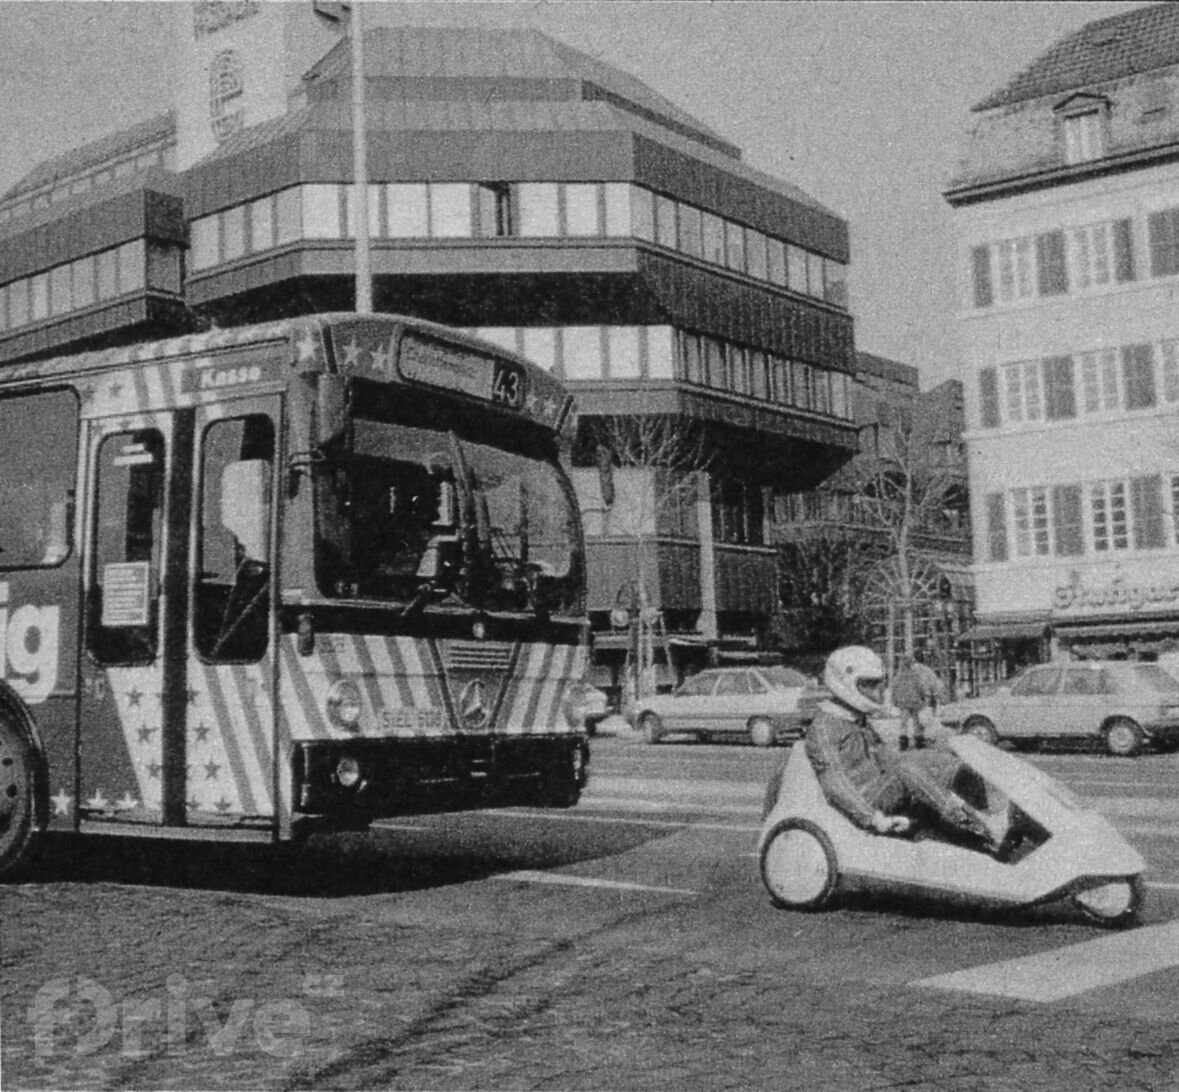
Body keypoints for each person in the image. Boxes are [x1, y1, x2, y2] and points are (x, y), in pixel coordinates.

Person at [805, 645, 1008, 852]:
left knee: (939, 759)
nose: (876, 692)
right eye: (868, 685)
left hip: (880, 789)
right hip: (863, 803)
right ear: (843, 682)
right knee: (905, 769)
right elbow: (835, 783)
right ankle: (979, 828)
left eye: (878, 685)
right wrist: (874, 818)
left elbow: (886, 756)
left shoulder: (857, 718)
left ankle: (980, 813)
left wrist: (933, 759)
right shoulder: (824, 727)